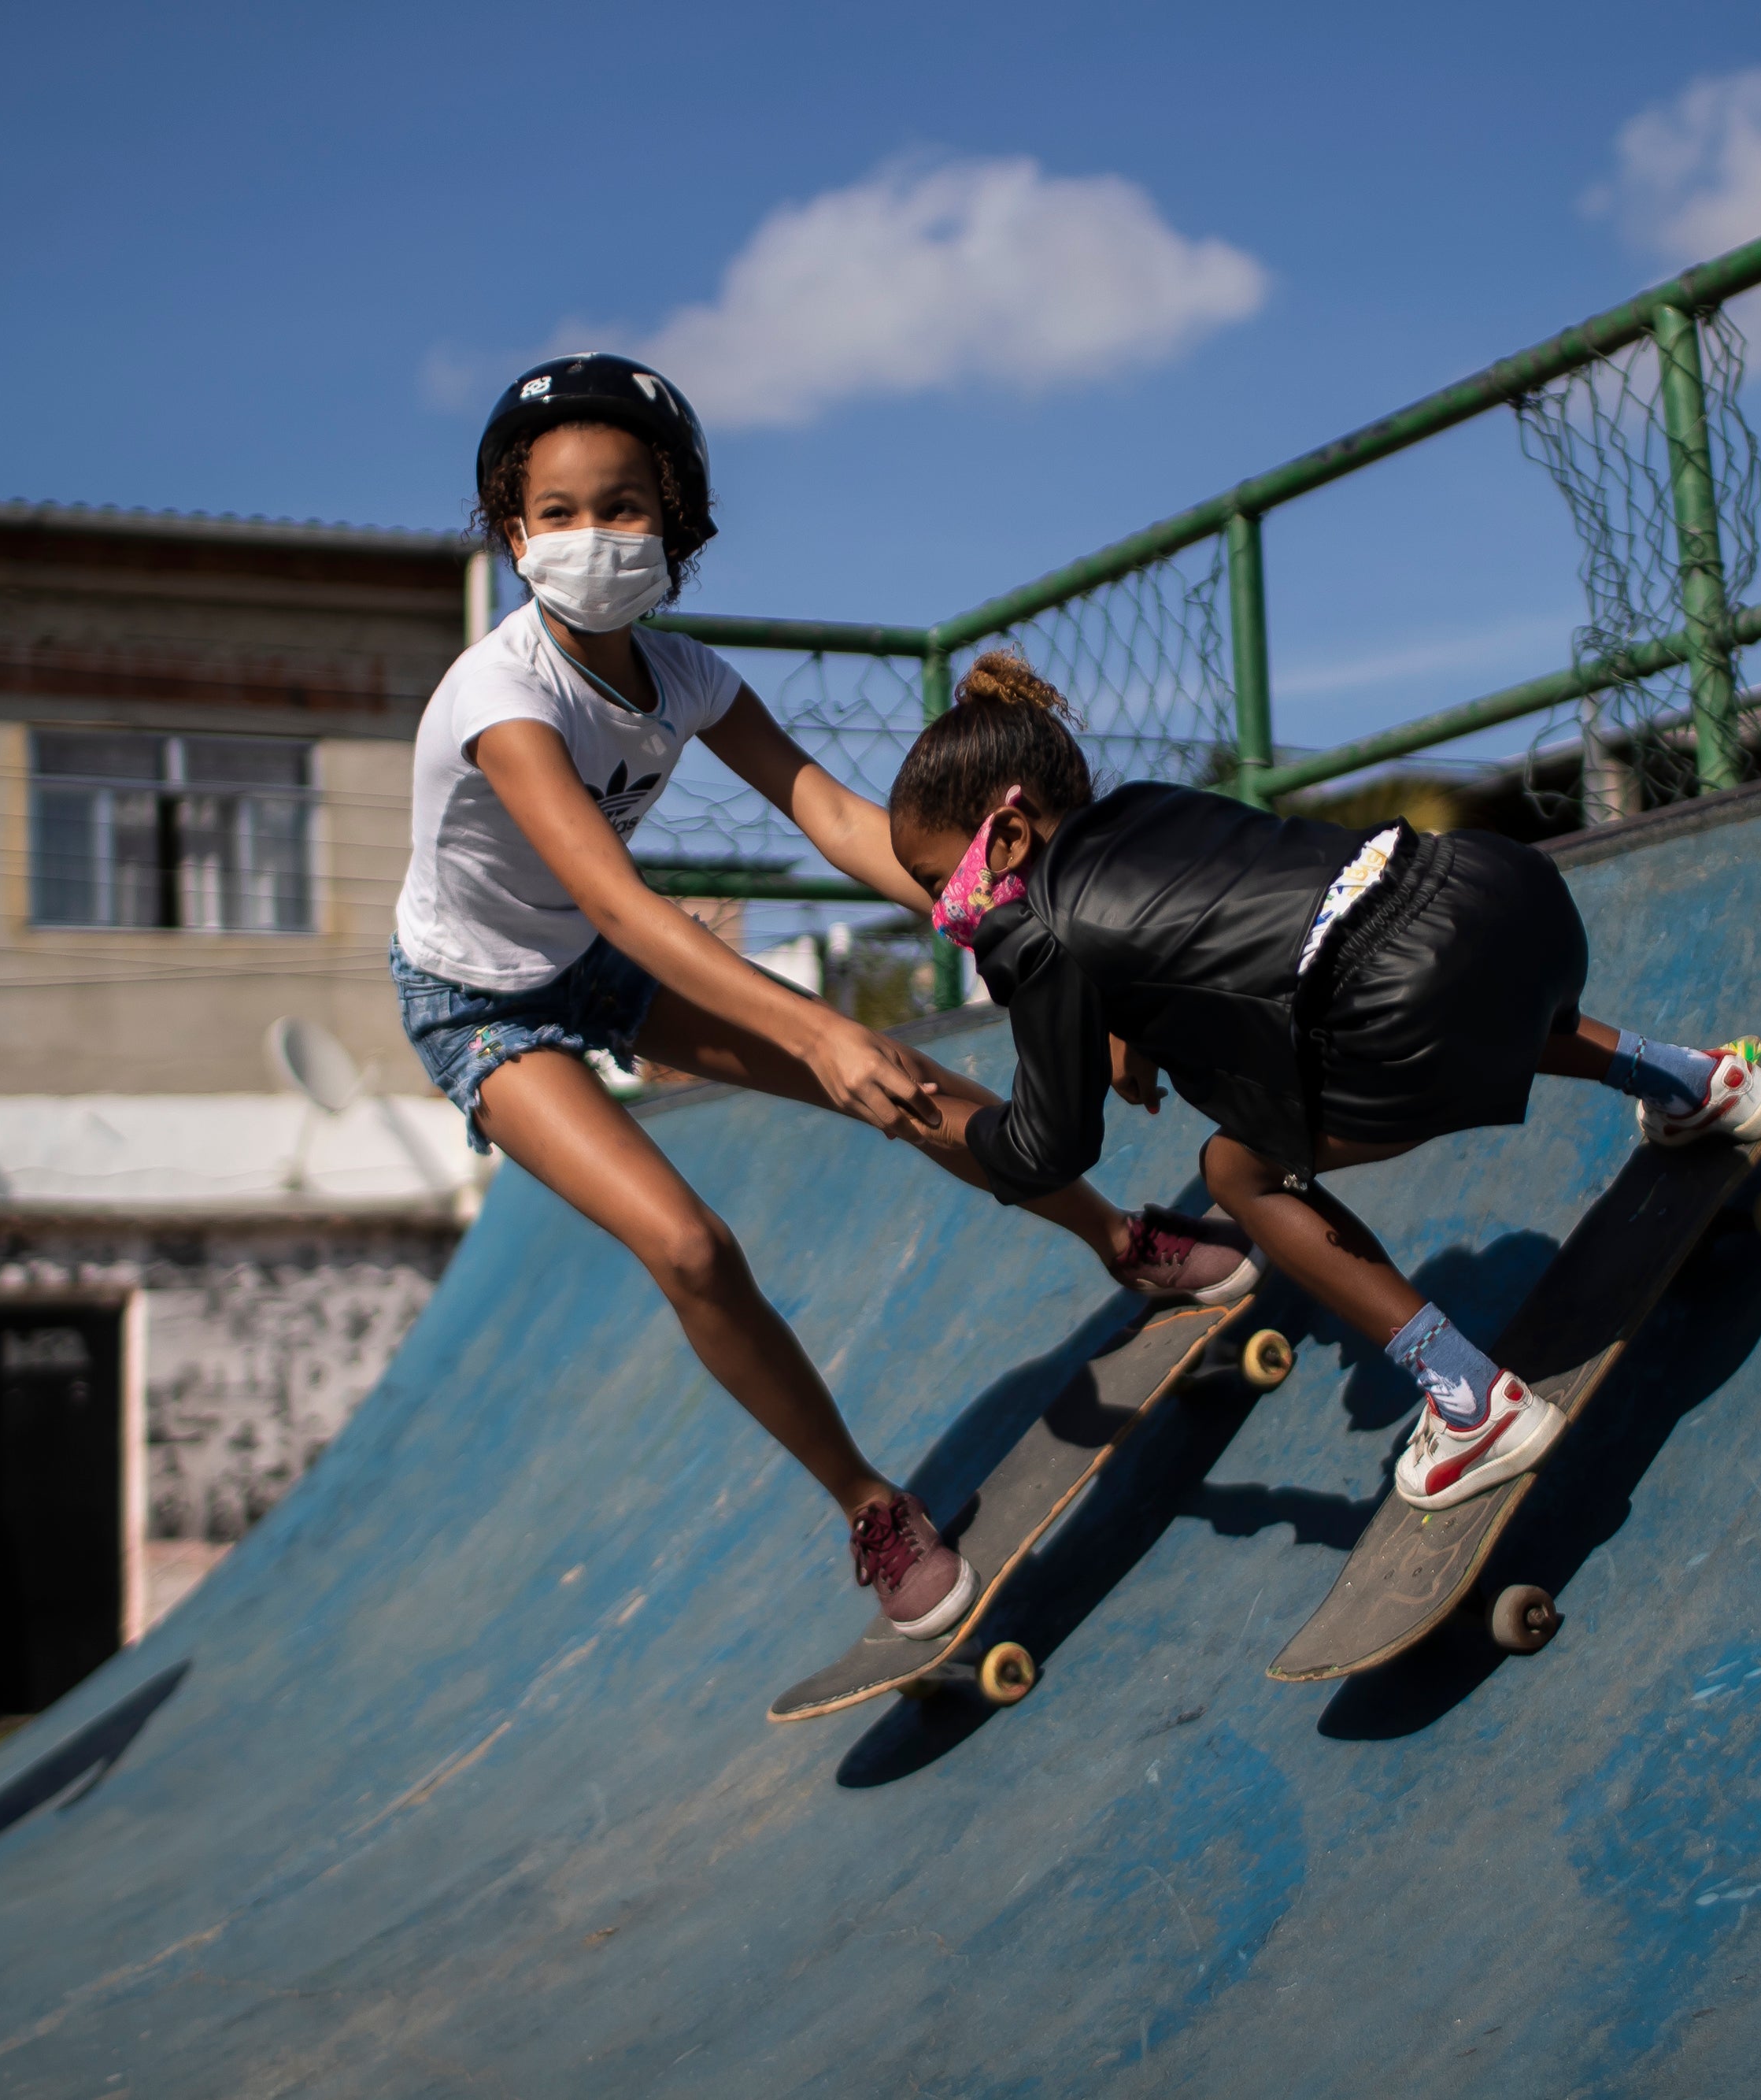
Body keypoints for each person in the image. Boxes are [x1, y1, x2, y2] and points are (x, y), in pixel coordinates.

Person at [397, 354, 1256, 1640]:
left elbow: (844, 819)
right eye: (558, 513)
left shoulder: (685, 677)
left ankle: (1119, 1238)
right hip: (482, 999)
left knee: (904, 1084)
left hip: (595, 951)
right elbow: (628, 903)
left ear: (676, 518)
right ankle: (868, 1503)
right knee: (689, 1244)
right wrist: (815, 1028)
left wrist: (1029, 927)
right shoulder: (502, 698)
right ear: (514, 534)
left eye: (621, 505)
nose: (590, 536)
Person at [884, 653, 1761, 1512]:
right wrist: (1126, 1029)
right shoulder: (1148, 808)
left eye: (937, 881)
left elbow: (1053, 1144)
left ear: (1004, 835)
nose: (941, 913)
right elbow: (1221, 933)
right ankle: (1697, 1083)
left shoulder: (1027, 931)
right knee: (1465, 996)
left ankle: (1470, 1400)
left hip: (1408, 1010)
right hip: (1502, 894)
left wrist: (940, 1125)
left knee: (1236, 1171)